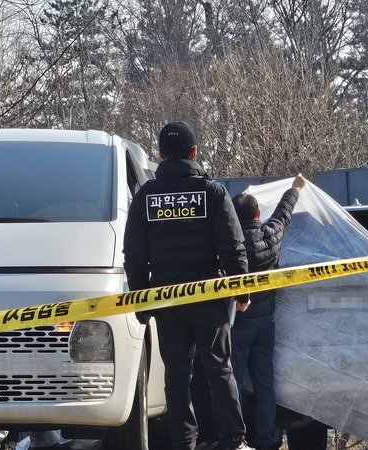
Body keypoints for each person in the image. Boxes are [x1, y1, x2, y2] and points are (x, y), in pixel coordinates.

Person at [123, 121, 254, 450]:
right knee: (219, 368)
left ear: (160, 155)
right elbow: (232, 246)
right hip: (209, 298)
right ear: (194, 152)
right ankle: (234, 441)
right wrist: (242, 290)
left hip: (167, 301)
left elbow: (134, 253)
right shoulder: (212, 193)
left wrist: (141, 299)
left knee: (177, 374)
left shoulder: (145, 196)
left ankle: (184, 443)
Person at [230, 174, 306, 450]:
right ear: (258, 213)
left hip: (237, 324)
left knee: (233, 384)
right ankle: (265, 440)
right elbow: (284, 213)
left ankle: (236, 439)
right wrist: (295, 187)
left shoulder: (231, 246)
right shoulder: (271, 235)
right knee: (264, 386)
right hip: (265, 323)